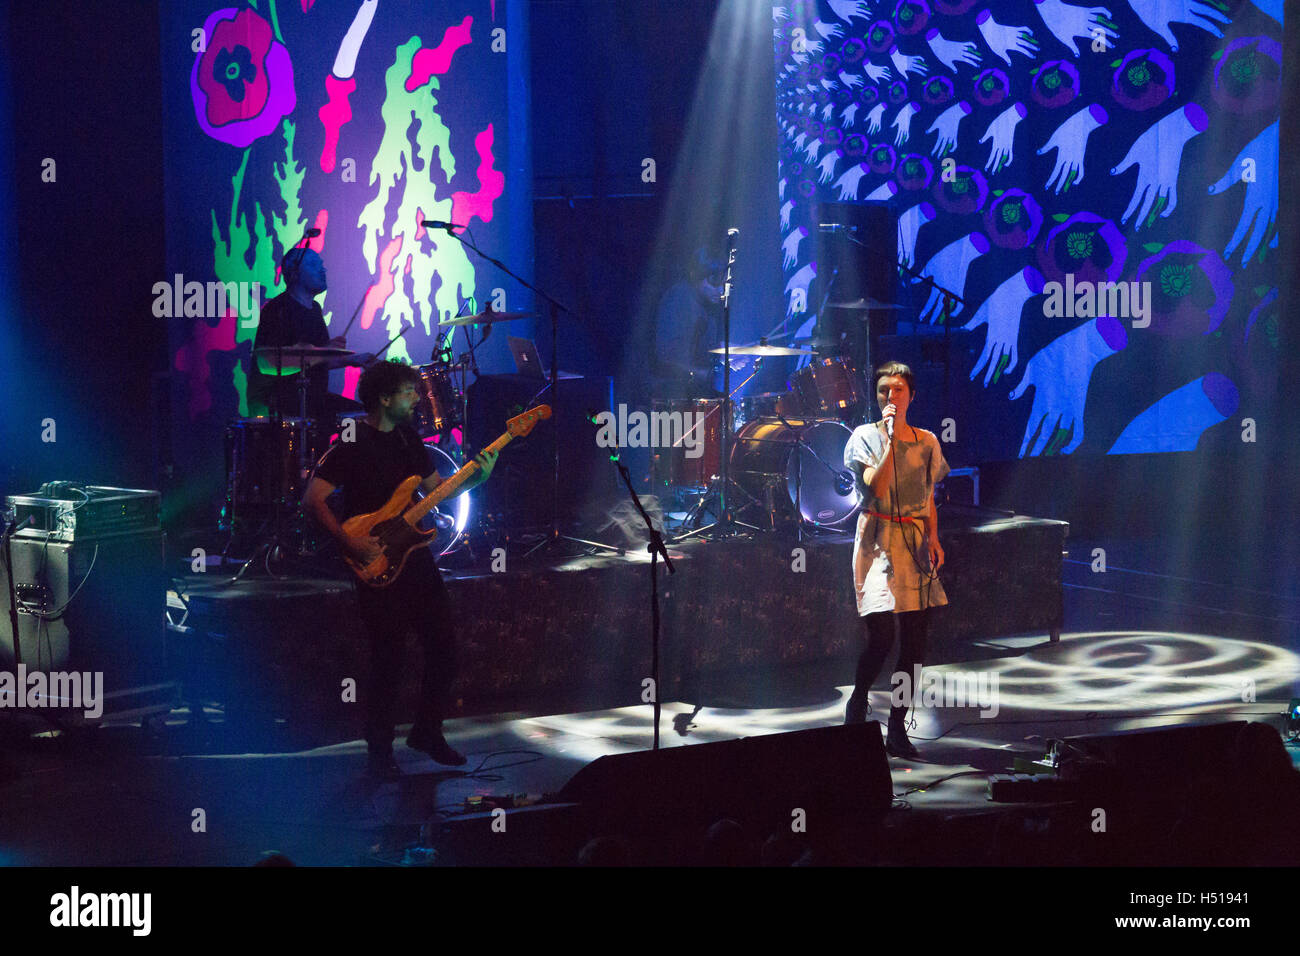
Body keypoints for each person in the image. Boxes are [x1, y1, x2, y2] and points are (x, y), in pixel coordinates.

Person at [301, 360, 498, 778]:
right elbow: (313, 499)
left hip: (415, 556)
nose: (416, 397)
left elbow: (434, 492)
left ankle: (427, 732)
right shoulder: (352, 439)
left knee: (444, 646)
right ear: (385, 398)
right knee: (388, 656)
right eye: (408, 391)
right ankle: (379, 752)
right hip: (373, 555)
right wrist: (348, 539)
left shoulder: (410, 438)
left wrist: (479, 477)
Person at [842, 361, 949, 758]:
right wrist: (889, 439)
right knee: (882, 637)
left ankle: (898, 725)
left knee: (915, 645)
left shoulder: (927, 441)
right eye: (885, 390)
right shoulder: (863, 437)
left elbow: (928, 497)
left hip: (915, 542)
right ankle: (858, 700)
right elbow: (879, 483)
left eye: (899, 390)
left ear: (912, 396)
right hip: (877, 542)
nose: (891, 396)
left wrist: (934, 536)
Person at [249, 246, 345, 419]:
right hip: (278, 406)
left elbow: (314, 364)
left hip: (311, 400)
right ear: (294, 273)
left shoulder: (314, 309)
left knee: (357, 417)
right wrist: (323, 353)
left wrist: (353, 360)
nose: (322, 269)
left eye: (321, 265)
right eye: (314, 265)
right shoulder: (278, 310)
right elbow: (267, 365)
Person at [651, 247, 725, 400]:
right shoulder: (677, 299)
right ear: (694, 276)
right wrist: (705, 375)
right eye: (714, 283)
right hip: (671, 395)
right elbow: (666, 357)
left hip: (695, 392)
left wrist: (726, 352)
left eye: (724, 284)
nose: (721, 290)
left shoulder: (710, 307)